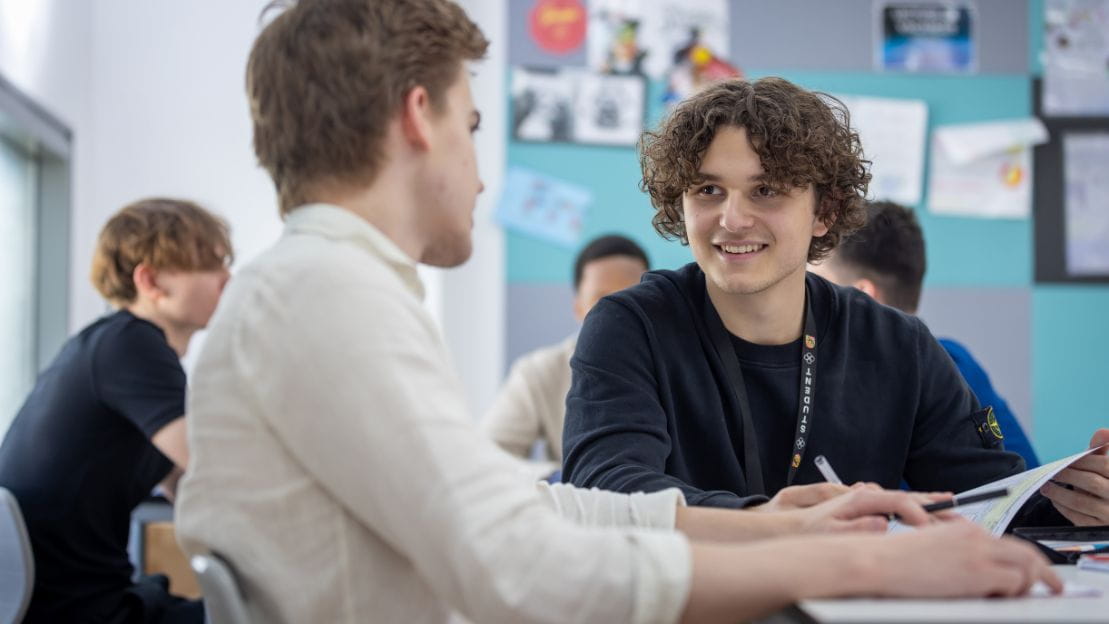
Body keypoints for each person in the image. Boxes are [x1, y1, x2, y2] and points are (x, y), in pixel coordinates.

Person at [174, 2, 1060, 623]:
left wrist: (776, 525)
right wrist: (866, 559)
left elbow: (545, 512)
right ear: (418, 116)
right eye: (473, 124)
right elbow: (521, 572)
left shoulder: (319, 289)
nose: (481, 172)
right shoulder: (327, 298)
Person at [561, 76, 1109, 528]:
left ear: (824, 211)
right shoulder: (629, 326)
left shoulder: (898, 346)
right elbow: (608, 491)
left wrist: (1082, 505)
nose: (730, 219)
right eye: (708, 191)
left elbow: (994, 503)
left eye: (766, 190)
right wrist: (775, 523)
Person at [0, 198, 231, 623]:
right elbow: (216, 470)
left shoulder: (115, 347)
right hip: (73, 609)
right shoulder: (131, 346)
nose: (226, 279)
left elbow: (191, 487)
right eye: (209, 265)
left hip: (73, 598)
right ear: (151, 281)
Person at [808, 201, 1040, 468]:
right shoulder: (956, 359)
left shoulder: (936, 373)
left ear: (860, 297)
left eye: (816, 285)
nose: (806, 299)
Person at [484, 234, 648, 475]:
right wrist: (561, 482)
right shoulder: (540, 371)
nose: (618, 313)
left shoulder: (678, 366)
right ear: (578, 307)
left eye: (632, 298)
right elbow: (489, 458)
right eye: (602, 300)